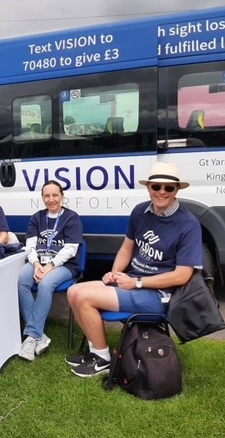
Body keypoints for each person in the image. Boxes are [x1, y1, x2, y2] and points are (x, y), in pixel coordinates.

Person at [66, 162, 202, 378]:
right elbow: (126, 248)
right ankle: (95, 351)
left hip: (161, 295)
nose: (162, 192)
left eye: (169, 188)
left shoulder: (188, 224)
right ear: (148, 187)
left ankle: (102, 360)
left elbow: (183, 275)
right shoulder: (140, 211)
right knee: (73, 291)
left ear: (177, 190)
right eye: (156, 186)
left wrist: (137, 283)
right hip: (133, 281)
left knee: (83, 297)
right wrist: (114, 273)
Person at [17, 180, 84, 361]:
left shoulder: (71, 218)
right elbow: (29, 246)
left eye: (55, 195)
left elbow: (71, 249)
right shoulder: (37, 217)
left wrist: (49, 266)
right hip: (39, 262)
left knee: (46, 283)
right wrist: (37, 264)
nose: (51, 199)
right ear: (42, 198)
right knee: (22, 279)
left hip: (64, 266)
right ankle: (40, 335)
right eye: (47, 195)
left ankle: (31, 336)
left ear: (62, 196)